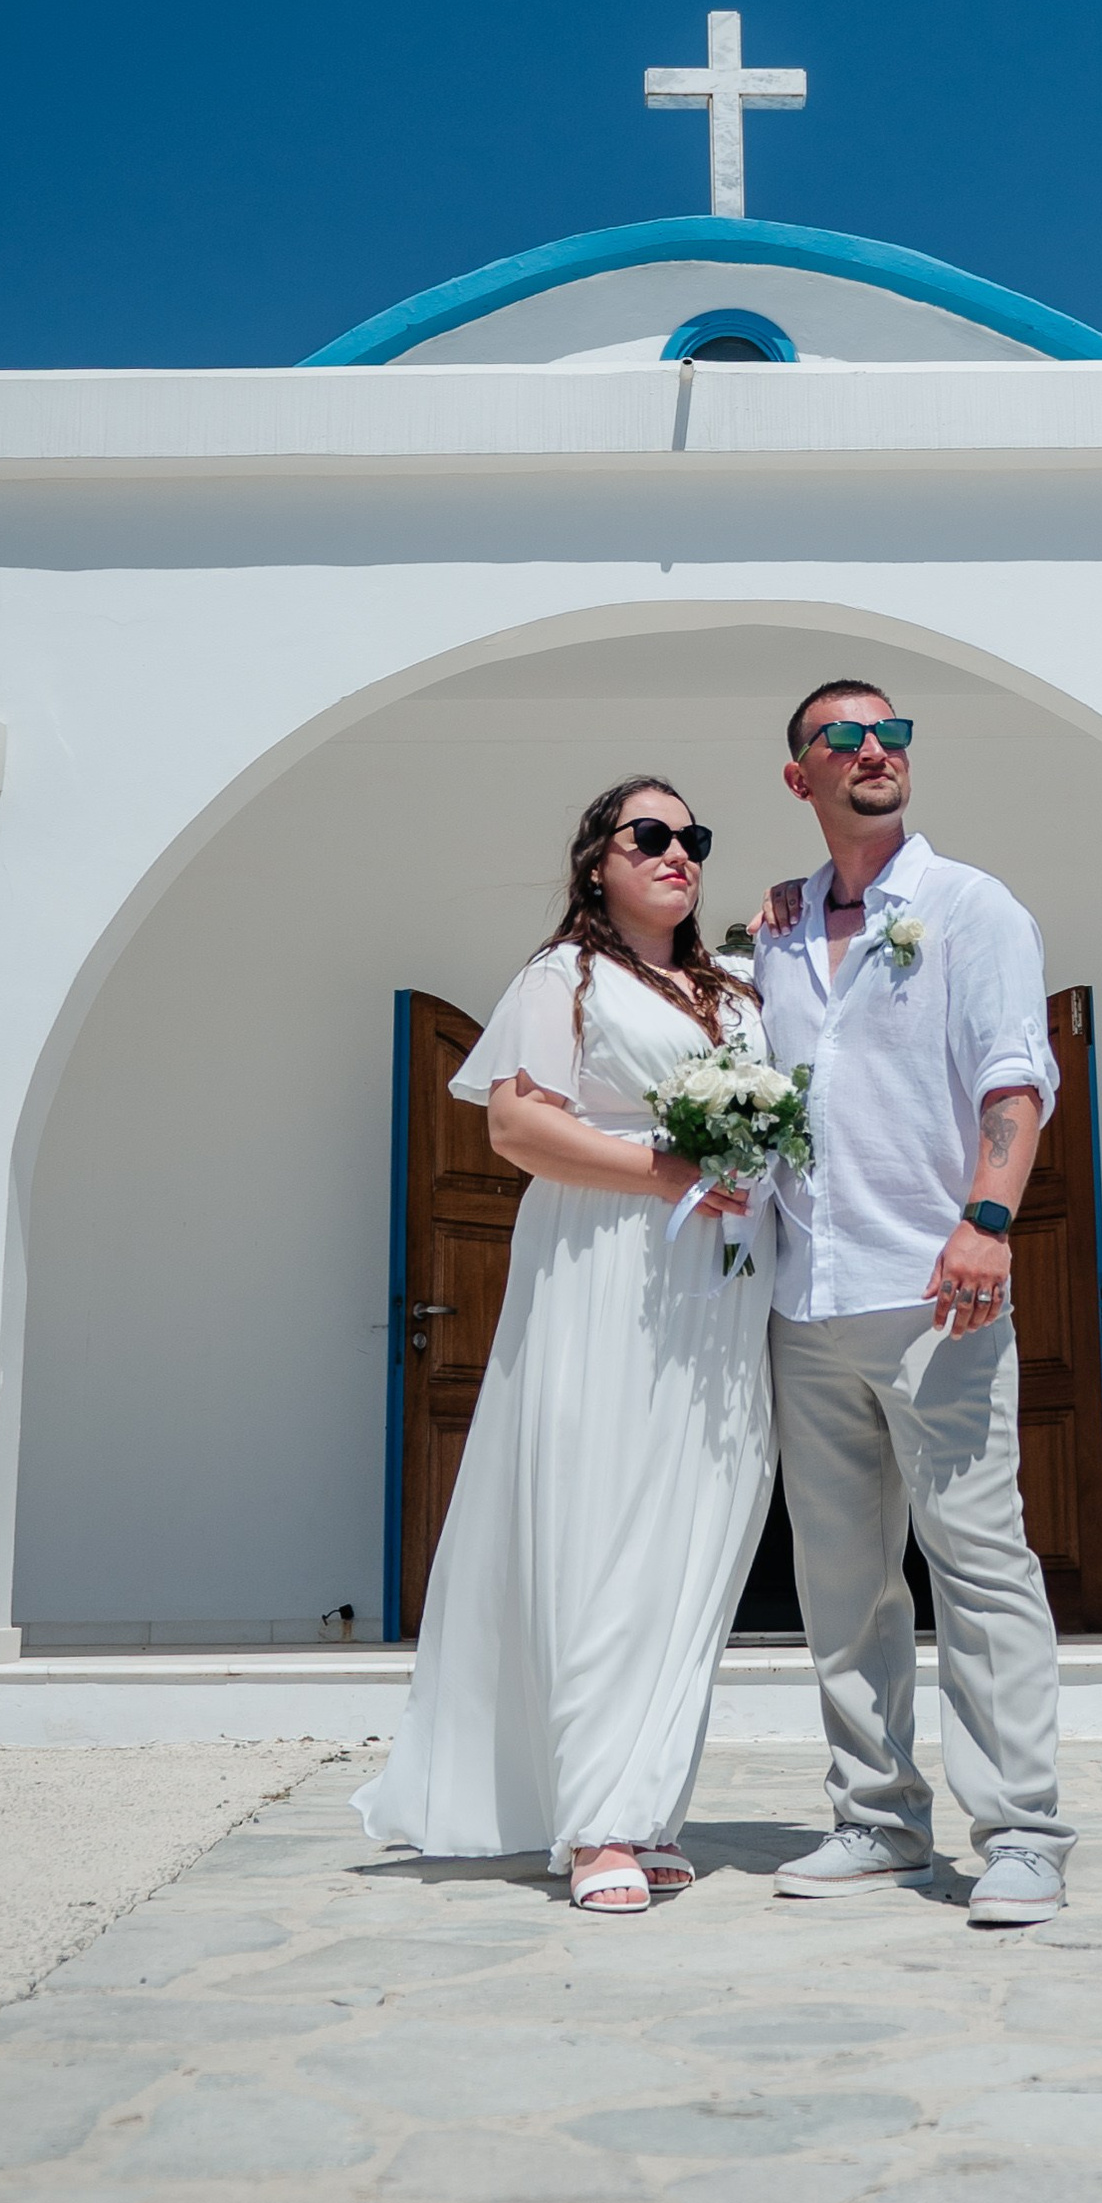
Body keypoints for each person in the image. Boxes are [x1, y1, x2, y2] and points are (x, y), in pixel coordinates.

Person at [355, 779, 774, 1915]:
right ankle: (593, 1825)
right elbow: (515, 1124)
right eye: (651, 835)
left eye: (694, 838)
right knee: (603, 1521)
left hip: (720, 1287)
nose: (677, 852)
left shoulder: (735, 989)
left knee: (698, 1531)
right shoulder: (563, 978)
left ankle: (646, 1801)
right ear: (598, 861)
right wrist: (670, 1171)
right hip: (607, 1268)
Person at [753, 679, 1074, 1928]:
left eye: (893, 734)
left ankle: (1023, 1833)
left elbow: (1014, 1074)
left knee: (980, 1565)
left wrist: (989, 1217)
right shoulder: (776, 934)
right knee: (843, 1583)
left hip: (938, 1295)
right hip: (807, 1299)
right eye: (844, 737)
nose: (875, 751)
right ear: (801, 776)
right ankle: (876, 1818)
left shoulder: (968, 908)